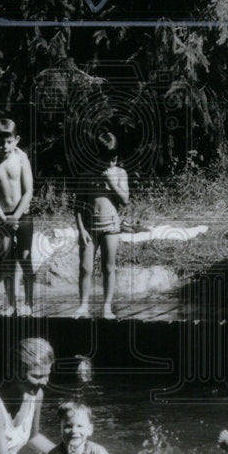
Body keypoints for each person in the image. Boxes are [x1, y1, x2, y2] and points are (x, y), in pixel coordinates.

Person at [73, 132, 130, 320]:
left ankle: (107, 306)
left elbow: (125, 200)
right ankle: (83, 305)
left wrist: (112, 183)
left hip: (111, 228)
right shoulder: (86, 176)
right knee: (85, 268)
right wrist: (81, 230)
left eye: (113, 160)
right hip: (89, 229)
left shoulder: (120, 173)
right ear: (96, 156)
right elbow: (78, 207)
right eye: (106, 161)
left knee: (109, 267)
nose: (110, 165)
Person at [0, 119, 35, 316]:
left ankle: (28, 302)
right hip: (3, 218)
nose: (3, 146)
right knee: (6, 261)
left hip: (23, 216)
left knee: (25, 258)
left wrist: (16, 217)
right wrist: (5, 219)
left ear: (16, 140)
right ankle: (11, 303)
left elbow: (28, 191)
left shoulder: (21, 160)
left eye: (8, 142)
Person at [39, 401, 116, 454]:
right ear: (61, 429)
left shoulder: (97, 452)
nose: (74, 431)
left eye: (79, 426)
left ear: (89, 430)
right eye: (68, 426)